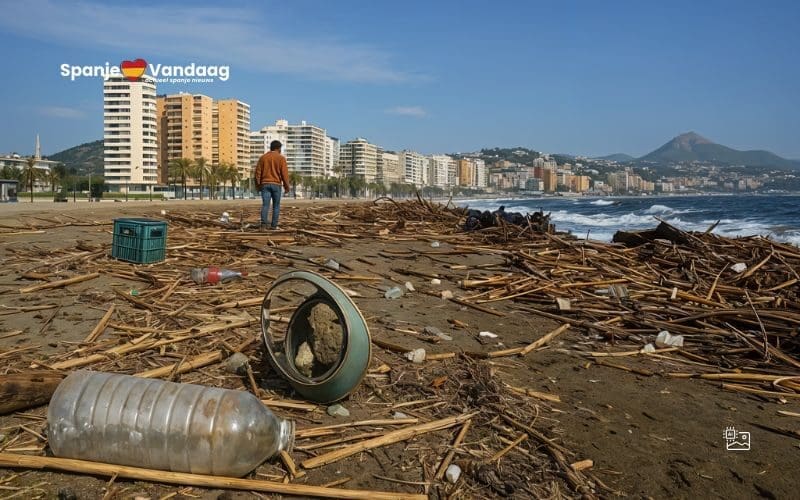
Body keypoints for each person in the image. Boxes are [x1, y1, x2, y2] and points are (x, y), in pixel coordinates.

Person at [254, 140, 290, 230]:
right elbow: (284, 174)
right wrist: (287, 187)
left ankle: (263, 224)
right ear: (278, 148)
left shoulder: (263, 158)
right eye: (280, 149)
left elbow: (257, 173)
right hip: (276, 184)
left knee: (265, 205)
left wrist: (258, 185)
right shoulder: (281, 158)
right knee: (276, 206)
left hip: (265, 184)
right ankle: (273, 226)